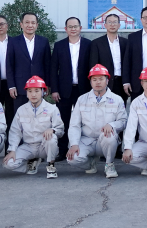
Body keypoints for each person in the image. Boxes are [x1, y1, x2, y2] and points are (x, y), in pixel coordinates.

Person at [66, 64, 127, 178]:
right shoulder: (82, 99)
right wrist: (74, 144)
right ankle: (90, 164)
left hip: (104, 141)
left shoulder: (117, 99)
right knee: (72, 159)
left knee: (109, 136)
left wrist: (112, 125)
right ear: (90, 82)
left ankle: (109, 164)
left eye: (101, 79)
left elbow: (123, 121)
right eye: (94, 79)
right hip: (86, 140)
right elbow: (74, 125)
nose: (98, 82)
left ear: (107, 81)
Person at [3, 75, 64, 178]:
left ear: (43, 92)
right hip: (28, 146)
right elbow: (15, 131)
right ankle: (30, 164)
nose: (33, 94)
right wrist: (12, 150)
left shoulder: (52, 109)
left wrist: (53, 130)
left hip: (44, 146)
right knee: (8, 164)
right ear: (26, 93)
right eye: (30, 91)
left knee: (52, 138)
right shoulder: (21, 110)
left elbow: (60, 130)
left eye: (37, 91)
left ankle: (51, 165)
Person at [52, 16, 91, 155]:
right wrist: (54, 89)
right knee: (63, 120)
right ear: (66, 29)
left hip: (84, 89)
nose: (73, 29)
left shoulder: (89, 44)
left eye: (75, 26)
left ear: (80, 28)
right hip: (64, 90)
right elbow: (53, 69)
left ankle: (83, 148)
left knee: (84, 120)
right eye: (70, 27)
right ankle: (62, 150)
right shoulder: (59, 45)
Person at [6, 12, 51, 114]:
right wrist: (11, 86)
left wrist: (47, 84)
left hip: (38, 86)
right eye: (27, 22)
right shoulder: (13, 41)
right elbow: (9, 65)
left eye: (33, 23)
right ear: (21, 24)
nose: (30, 25)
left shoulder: (43, 41)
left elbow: (47, 64)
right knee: (20, 115)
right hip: (20, 86)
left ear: (37, 25)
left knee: (39, 115)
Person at [88, 13, 127, 97]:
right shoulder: (97, 43)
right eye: (109, 22)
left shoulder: (125, 43)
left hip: (121, 83)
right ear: (105, 25)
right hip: (104, 82)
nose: (112, 25)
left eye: (115, 22)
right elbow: (93, 65)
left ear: (119, 25)